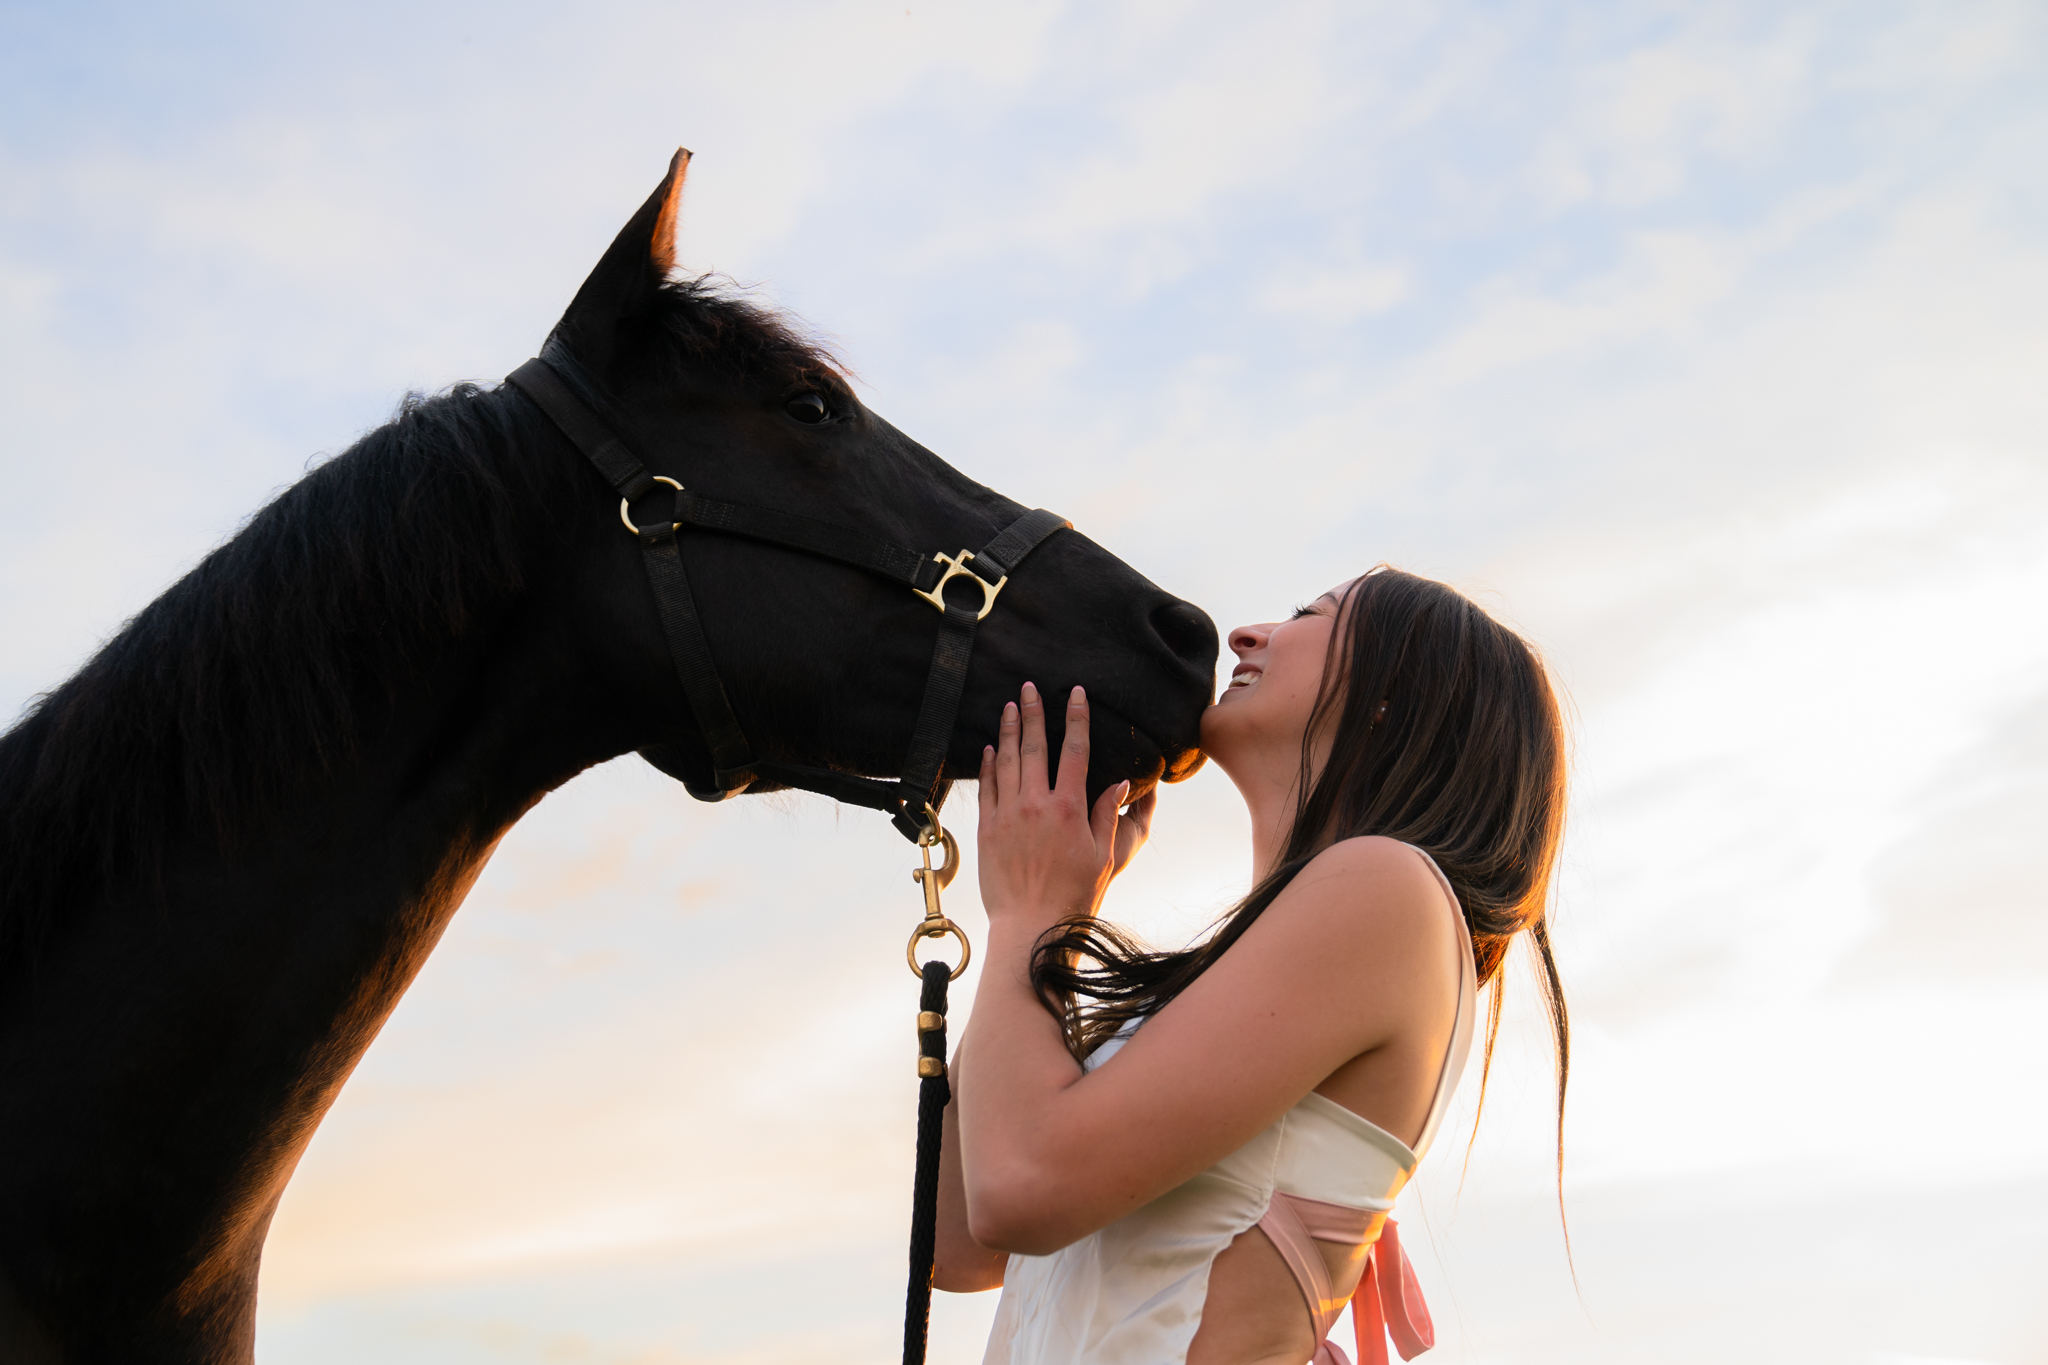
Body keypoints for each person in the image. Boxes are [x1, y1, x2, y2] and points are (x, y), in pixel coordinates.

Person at [933, 567, 1569, 1365]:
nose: (1246, 634)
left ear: (1392, 698)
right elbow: (959, 1244)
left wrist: (1027, 911)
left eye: (1314, 615)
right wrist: (1053, 919)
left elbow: (1016, 1188)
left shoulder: (1390, 889)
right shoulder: (1316, 938)